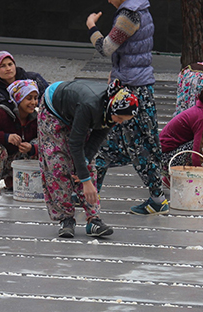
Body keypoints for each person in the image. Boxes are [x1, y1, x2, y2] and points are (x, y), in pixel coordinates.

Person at [86, 0, 169, 216]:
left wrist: (91, 26)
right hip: (131, 83)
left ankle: (158, 199)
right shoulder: (140, 9)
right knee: (104, 143)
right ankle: (89, 193)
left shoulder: (129, 15)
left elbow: (106, 48)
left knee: (140, 145)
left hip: (134, 90)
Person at [37, 79, 138, 238]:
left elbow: (94, 142)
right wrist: (85, 180)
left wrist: (83, 166)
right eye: (119, 119)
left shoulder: (111, 111)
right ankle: (66, 218)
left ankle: (94, 219)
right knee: (57, 163)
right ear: (112, 108)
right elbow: (75, 143)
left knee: (88, 165)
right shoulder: (90, 106)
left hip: (77, 110)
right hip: (54, 108)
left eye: (123, 121)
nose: (119, 123)